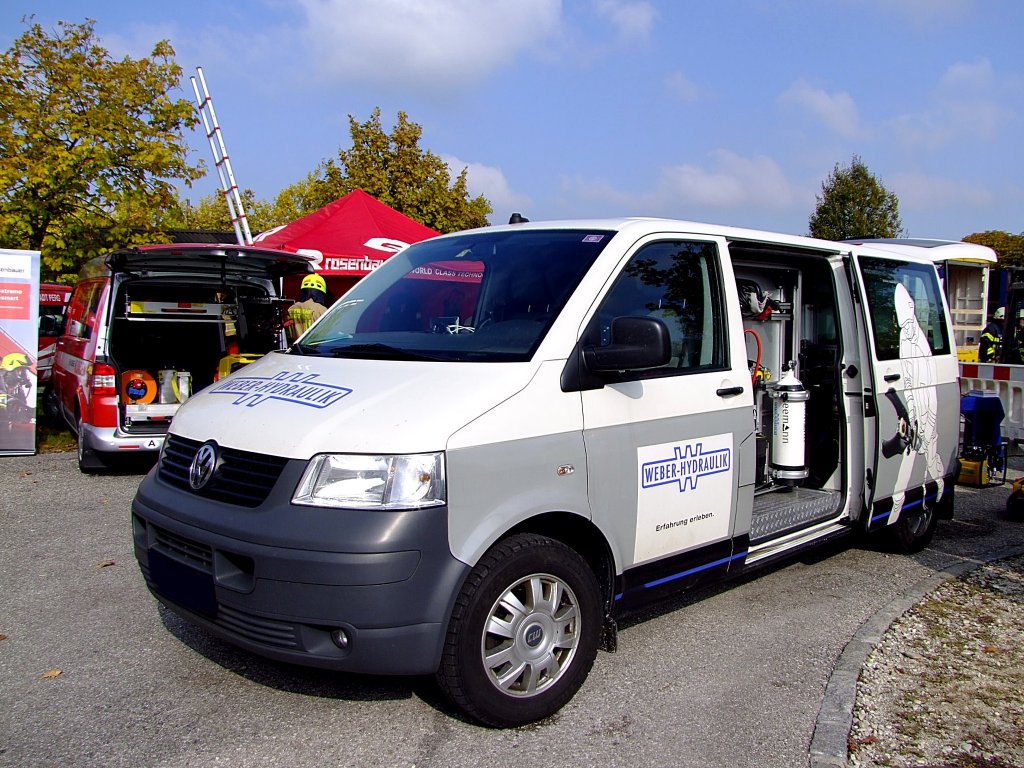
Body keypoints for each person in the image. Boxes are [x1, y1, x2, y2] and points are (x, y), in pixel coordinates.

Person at [287, 273, 329, 341]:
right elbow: (327, 333)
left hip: (294, 346)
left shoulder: (291, 309)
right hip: (314, 346)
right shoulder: (322, 310)